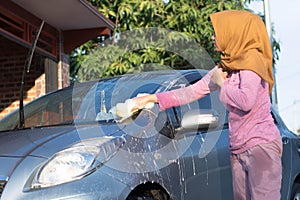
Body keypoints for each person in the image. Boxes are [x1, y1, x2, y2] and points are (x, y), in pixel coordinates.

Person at [120, 10, 283, 200]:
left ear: (233, 32)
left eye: (217, 32)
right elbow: (192, 92)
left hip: (260, 147)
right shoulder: (226, 67)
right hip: (238, 148)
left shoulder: (252, 64)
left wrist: (221, 84)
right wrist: (149, 99)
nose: (213, 37)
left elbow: (245, 101)